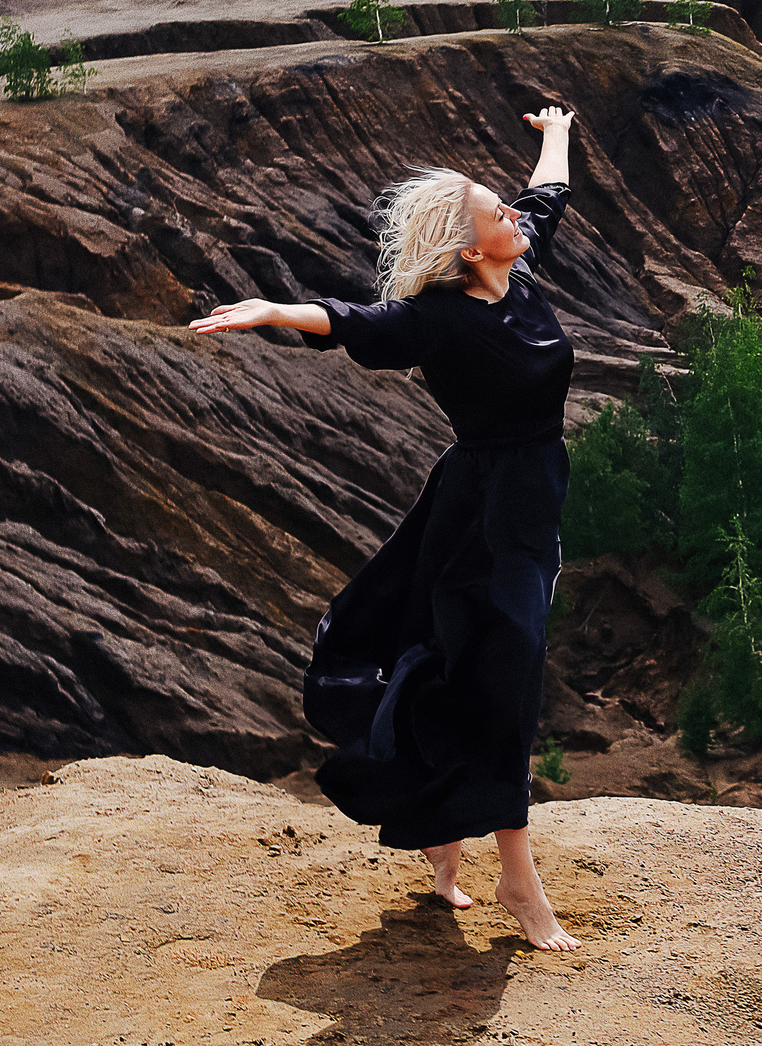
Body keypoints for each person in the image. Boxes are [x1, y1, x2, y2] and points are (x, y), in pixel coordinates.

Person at [191, 104, 582, 950]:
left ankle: (443, 841)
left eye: (508, 210)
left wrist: (555, 126)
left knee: (467, 668)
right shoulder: (441, 318)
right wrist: (270, 309)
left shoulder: (518, 270)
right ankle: (518, 877)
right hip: (479, 514)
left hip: (532, 501)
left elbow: (547, 194)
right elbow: (355, 322)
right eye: (496, 214)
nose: (514, 216)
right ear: (471, 247)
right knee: (507, 673)